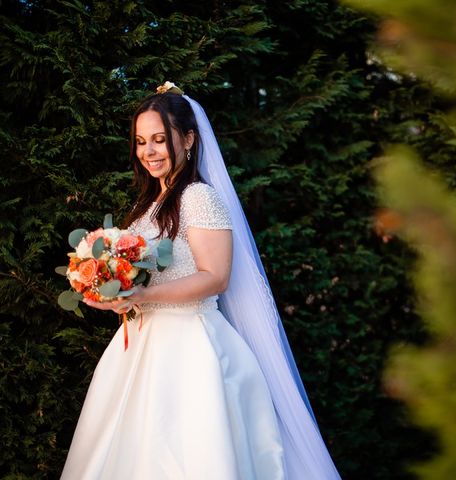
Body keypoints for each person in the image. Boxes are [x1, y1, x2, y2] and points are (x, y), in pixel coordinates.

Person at [61, 83, 341, 479]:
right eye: (141, 142)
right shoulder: (150, 203)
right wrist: (114, 291)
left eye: (160, 139)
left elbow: (216, 277)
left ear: (188, 139)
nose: (149, 152)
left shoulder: (197, 197)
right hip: (141, 343)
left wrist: (144, 293)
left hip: (191, 345)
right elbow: (144, 277)